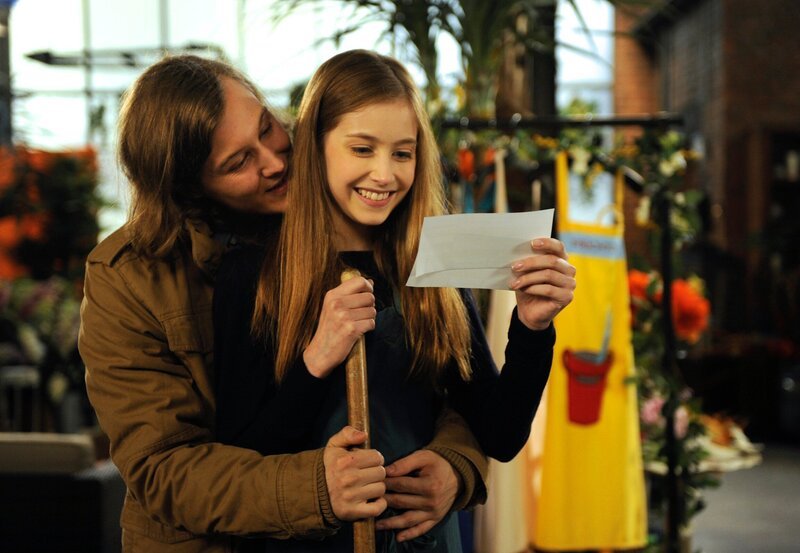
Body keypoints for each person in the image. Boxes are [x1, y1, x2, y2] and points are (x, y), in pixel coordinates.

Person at [78, 54, 490, 553]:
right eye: (238, 163)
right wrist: (316, 487)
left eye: (267, 128)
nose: (275, 162)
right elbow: (164, 471)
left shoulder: (348, 214)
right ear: (190, 188)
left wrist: (455, 463)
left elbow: (444, 381)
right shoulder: (127, 278)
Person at [213, 49, 576, 552]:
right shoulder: (252, 272)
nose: (384, 175)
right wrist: (317, 360)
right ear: (315, 147)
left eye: (402, 153)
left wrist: (532, 329)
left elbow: (500, 434)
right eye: (362, 149)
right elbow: (239, 455)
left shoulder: (434, 267)